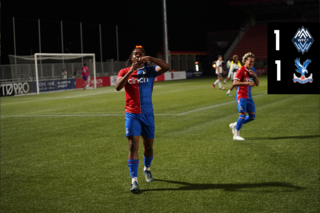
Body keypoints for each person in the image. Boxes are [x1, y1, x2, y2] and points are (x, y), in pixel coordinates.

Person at [115, 45, 170, 193]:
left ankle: (147, 169)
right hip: (132, 114)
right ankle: (134, 181)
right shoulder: (124, 71)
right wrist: (131, 71)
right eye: (135, 54)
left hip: (147, 114)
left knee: (149, 147)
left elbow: (166, 67)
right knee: (133, 145)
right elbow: (118, 87)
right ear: (131, 57)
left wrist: (151, 59)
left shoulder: (150, 71)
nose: (138, 57)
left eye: (141, 55)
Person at [229, 52, 259, 140]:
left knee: (252, 117)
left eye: (253, 62)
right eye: (250, 61)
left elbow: (257, 84)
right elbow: (235, 83)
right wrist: (248, 83)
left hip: (249, 96)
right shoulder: (241, 70)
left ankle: (234, 125)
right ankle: (236, 135)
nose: (251, 63)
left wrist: (254, 76)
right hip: (241, 95)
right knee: (242, 115)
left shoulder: (252, 69)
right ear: (245, 61)